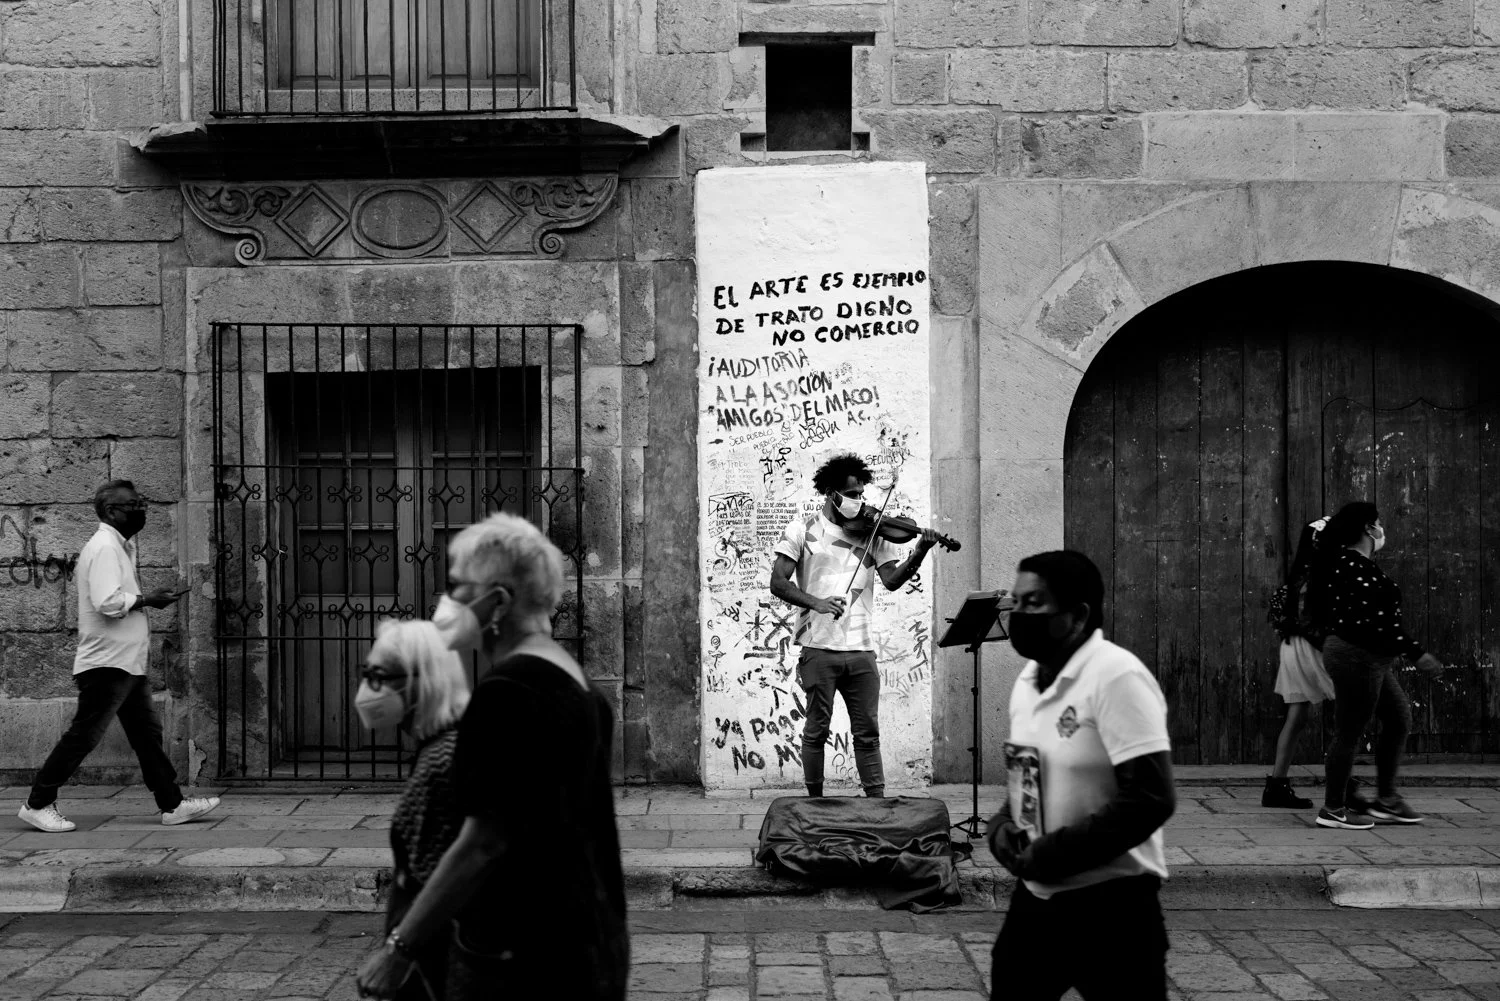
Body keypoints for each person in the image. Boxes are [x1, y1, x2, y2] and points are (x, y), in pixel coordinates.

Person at [355, 513, 627, 1001]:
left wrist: (400, 948)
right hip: (588, 939)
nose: (446, 601)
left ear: (498, 602)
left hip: (521, 958)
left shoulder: (506, 692)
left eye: (458, 587)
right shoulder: (578, 684)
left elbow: (483, 843)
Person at [986, 550, 1176, 1000]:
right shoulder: (1029, 680)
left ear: (1077, 615)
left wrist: (1054, 852)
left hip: (1113, 908)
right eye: (1016, 602)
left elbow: (1150, 798)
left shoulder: (1117, 676)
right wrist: (1001, 827)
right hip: (1036, 901)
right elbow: (1028, 775)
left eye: (1034, 603)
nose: (1019, 614)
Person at [18, 480, 219, 834]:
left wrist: (146, 601)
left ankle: (172, 804)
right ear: (111, 511)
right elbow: (107, 602)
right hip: (106, 664)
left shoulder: (119, 547)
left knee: (146, 736)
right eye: (134, 505)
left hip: (124, 662)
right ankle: (37, 804)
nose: (141, 510)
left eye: (141, 504)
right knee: (84, 736)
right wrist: (149, 599)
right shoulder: (105, 548)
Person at [769, 452, 938, 798]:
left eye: (861, 494)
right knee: (817, 730)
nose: (859, 501)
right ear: (830, 493)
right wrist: (817, 602)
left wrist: (920, 551)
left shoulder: (873, 533)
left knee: (868, 733)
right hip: (818, 647)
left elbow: (891, 580)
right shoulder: (801, 530)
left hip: (861, 650)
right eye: (851, 494)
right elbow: (778, 583)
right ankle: (814, 802)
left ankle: (877, 804)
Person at [353, 619, 472, 1001]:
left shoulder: (443, 760)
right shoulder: (438, 748)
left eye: (380, 677)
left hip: (438, 964)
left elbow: (442, 880)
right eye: (366, 674)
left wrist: (399, 954)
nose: (368, 688)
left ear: (424, 681)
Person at [1311, 502, 1444, 831]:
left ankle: (1387, 799)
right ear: (1368, 528)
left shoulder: (1352, 564)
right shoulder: (1352, 565)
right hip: (1357, 655)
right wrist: (1417, 653)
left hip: (1368, 656)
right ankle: (1333, 809)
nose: (1382, 529)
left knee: (1398, 718)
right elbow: (1379, 621)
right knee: (1349, 731)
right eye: (1378, 523)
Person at [1262, 516, 1337, 809]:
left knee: (1297, 716)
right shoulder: (1322, 577)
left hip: (1291, 648)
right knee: (1346, 713)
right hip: (1314, 650)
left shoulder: (1297, 577)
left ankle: (1277, 785)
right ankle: (1344, 785)